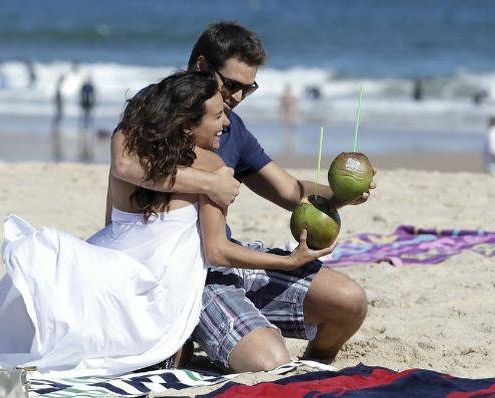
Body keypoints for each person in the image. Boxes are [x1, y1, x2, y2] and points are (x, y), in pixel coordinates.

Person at [0, 71, 332, 377]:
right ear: (188, 124)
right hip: (160, 288)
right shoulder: (211, 167)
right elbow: (217, 250)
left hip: (110, 261)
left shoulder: (129, 144)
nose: (226, 122)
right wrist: (289, 261)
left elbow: (112, 219)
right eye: (218, 114)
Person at [111, 21, 373, 373]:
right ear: (203, 67)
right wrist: (208, 182)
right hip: (178, 276)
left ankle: (314, 365)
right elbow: (124, 164)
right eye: (231, 86)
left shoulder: (230, 128)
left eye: (247, 90)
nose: (235, 99)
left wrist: (342, 193)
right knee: (268, 361)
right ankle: (191, 336)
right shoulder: (154, 116)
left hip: (226, 259)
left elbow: (290, 191)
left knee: (349, 303)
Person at [79, 75, 97, 161]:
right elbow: (81, 95)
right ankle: (84, 128)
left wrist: (94, 102)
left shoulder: (90, 86)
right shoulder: (84, 86)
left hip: (89, 102)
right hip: (85, 102)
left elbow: (93, 95)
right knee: (84, 116)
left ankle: (88, 128)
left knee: (89, 116)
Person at [279, 83, 297, 154]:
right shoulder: (286, 96)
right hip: (287, 114)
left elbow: (294, 105)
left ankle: (289, 141)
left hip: (290, 114)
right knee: (287, 129)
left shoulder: (289, 96)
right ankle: (288, 141)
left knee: (289, 128)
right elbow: (281, 106)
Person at [51, 74, 66, 161]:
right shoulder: (59, 88)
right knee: (58, 117)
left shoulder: (59, 87)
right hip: (59, 104)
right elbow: (57, 97)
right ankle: (55, 129)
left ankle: (56, 128)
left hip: (59, 104)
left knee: (58, 117)